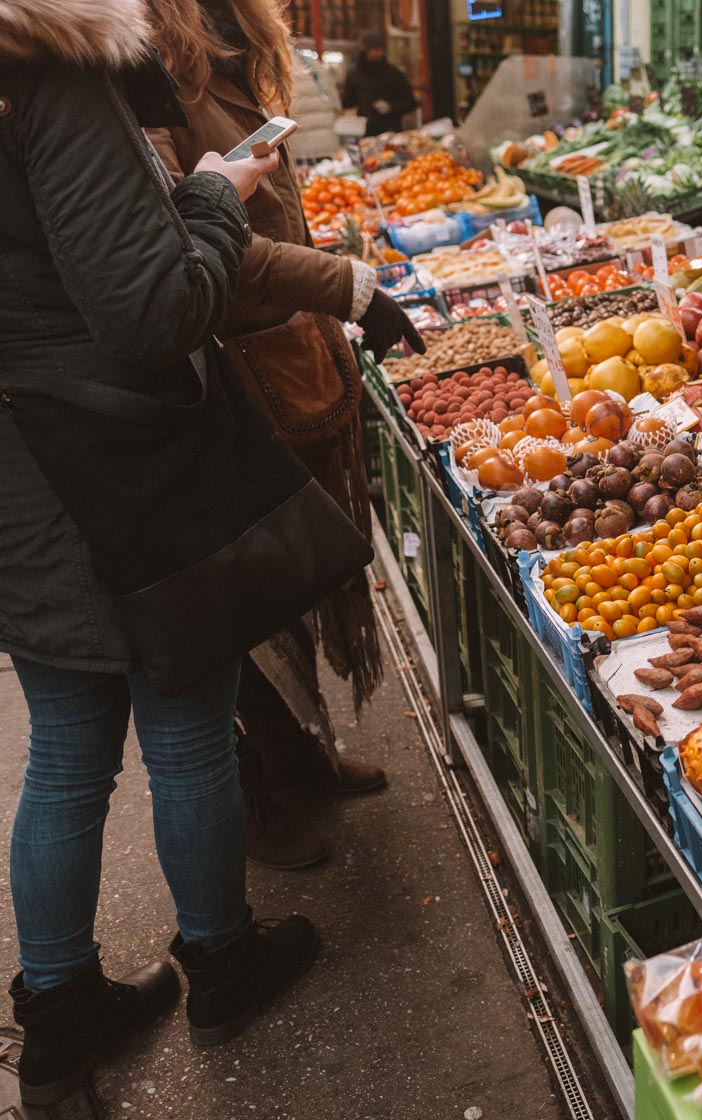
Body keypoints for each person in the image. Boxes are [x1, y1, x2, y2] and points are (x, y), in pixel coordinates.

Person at [0, 0, 317, 1102]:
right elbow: (152, 305)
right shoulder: (47, 64)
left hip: (19, 480)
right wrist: (215, 200)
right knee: (185, 730)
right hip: (115, 473)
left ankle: (59, 1012)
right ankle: (223, 961)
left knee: (68, 750)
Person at [146, 0, 425, 870]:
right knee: (245, 593)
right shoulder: (146, 68)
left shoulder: (222, 46)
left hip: (277, 354)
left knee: (284, 577)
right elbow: (200, 251)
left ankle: (297, 755)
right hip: (219, 373)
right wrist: (346, 285)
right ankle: (254, 790)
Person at [341, 29, 415, 137]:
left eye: (382, 49)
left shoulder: (394, 74)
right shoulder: (354, 74)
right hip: (364, 133)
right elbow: (348, 101)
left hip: (391, 132)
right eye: (376, 49)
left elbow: (410, 102)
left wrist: (391, 107)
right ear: (366, 51)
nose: (380, 53)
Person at [288, 44, 343, 162]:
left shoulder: (276, 66)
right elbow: (337, 105)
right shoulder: (314, 63)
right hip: (329, 144)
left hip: (301, 151)